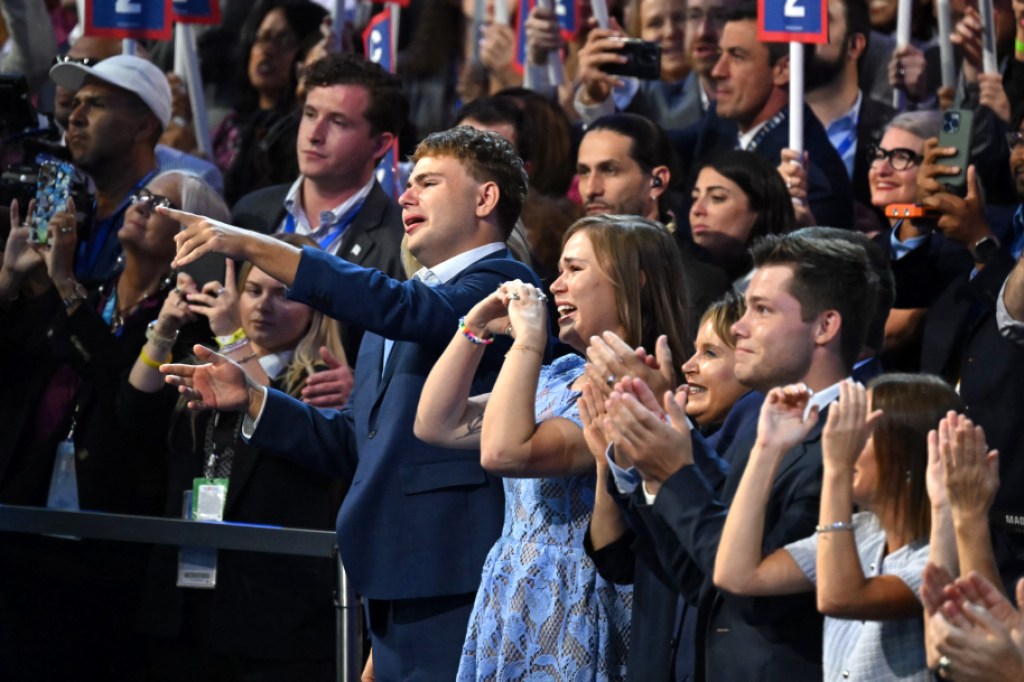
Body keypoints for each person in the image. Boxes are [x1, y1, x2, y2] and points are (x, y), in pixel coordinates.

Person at [159, 126, 541, 681]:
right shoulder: (408, 301)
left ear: (486, 198)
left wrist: (251, 243)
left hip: (458, 569)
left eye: (428, 183)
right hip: (394, 572)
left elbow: (409, 311)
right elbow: (355, 439)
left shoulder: (505, 283)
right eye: (408, 184)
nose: (406, 196)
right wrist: (255, 400)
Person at [584, 231, 881, 680]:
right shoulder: (761, 421)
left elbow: (758, 596)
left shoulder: (856, 443)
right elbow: (701, 580)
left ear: (825, 326)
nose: (740, 327)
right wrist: (643, 466)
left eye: (762, 310)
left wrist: (675, 470)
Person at [415, 214, 693, 679]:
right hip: (512, 588)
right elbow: (436, 424)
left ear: (635, 282)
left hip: (575, 597)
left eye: (575, 270)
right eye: (559, 270)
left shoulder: (634, 393)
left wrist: (528, 341)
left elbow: (505, 453)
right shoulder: (562, 374)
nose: (555, 286)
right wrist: (476, 325)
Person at [0, 170, 228, 681]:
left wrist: (61, 285)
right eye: (141, 194)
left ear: (193, 234)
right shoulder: (93, 290)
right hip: (26, 513)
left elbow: (128, 400)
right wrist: (11, 281)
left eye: (162, 204)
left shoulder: (186, 321)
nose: (142, 204)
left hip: (110, 535)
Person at [120, 233, 345, 681]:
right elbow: (130, 412)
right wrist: (164, 329)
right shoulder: (206, 365)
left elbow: (283, 422)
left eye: (285, 294)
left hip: (272, 609)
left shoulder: (325, 380)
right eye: (254, 291)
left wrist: (231, 337)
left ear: (316, 307)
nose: (264, 306)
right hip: (185, 597)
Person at [714, 375, 962, 680]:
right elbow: (737, 574)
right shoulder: (860, 531)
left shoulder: (941, 554)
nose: (847, 440)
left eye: (863, 430)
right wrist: (768, 448)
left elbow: (840, 597)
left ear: (908, 454)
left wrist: (837, 469)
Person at [230, 53, 409, 365]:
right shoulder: (251, 212)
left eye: (338, 122)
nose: (314, 134)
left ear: (380, 145)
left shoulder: (400, 242)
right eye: (310, 114)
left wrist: (357, 393)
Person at [673, 2, 854, 230]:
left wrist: (770, 201)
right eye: (720, 54)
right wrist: (617, 98)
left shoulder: (811, 177)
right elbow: (660, 150)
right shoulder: (722, 122)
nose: (717, 70)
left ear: (783, 69)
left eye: (737, 56)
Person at [576, 114, 731, 325]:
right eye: (584, 172)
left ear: (657, 182)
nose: (591, 189)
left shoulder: (697, 283)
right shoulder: (570, 271)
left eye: (609, 170)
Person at [211, 0, 327, 204]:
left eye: (285, 41)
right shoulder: (231, 123)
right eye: (262, 38)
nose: (267, 50)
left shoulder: (308, 133)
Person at [573, 0, 699, 129]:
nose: (670, 32)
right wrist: (597, 98)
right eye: (655, 23)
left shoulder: (714, 86)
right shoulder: (627, 95)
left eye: (680, 18)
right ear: (638, 34)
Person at [687, 150, 795, 280]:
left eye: (717, 197)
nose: (696, 209)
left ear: (760, 208)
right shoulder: (690, 277)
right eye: (695, 198)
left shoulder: (781, 286)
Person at [681, 291, 753, 444]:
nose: (687, 367)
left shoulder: (751, 443)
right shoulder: (710, 438)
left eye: (710, 353)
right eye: (696, 351)